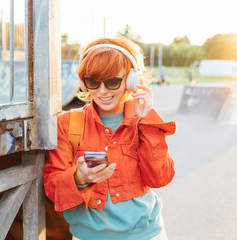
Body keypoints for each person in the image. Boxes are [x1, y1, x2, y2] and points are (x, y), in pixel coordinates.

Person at [43, 37, 176, 240]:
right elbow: (53, 188)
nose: (102, 91)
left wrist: (147, 121)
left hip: (147, 235)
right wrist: (79, 178)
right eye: (93, 82)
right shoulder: (68, 124)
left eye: (113, 81)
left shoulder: (144, 119)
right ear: (83, 82)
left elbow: (160, 178)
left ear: (131, 79)